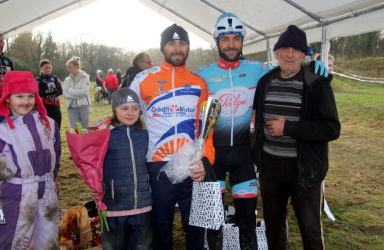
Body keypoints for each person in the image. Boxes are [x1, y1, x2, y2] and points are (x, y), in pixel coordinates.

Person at [252, 25, 341, 250]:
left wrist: (289, 128)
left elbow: (330, 129)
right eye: (284, 49)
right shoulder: (265, 82)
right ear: (276, 53)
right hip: (270, 167)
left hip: (304, 170)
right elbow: (257, 120)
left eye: (295, 50)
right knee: (273, 228)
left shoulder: (317, 84)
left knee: (310, 231)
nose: (289, 54)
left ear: (304, 55)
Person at [130, 24, 215, 250]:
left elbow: (207, 127)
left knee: (195, 225)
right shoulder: (143, 79)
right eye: (171, 43)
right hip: (158, 162)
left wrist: (206, 160)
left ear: (188, 47)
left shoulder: (199, 82)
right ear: (163, 48)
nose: (177, 49)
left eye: (182, 43)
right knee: (161, 224)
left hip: (192, 163)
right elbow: (127, 116)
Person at [195, 12, 271, 249]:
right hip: (211, 155)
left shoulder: (259, 69)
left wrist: (313, 66)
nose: (231, 44)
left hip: (243, 155)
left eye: (236, 39)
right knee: (212, 222)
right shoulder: (202, 74)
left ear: (242, 42)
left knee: (247, 218)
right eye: (225, 39)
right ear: (217, 42)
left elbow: (289, 71)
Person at [0, 71, 61, 249]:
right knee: (11, 237)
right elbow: (0, 171)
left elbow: (56, 154)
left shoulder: (49, 124)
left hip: (47, 191)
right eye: (19, 96)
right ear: (7, 98)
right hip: (18, 192)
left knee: (48, 238)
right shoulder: (1, 132)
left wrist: (53, 179)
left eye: (31, 96)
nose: (26, 101)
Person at [101, 88, 152, 249]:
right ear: (115, 110)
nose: (130, 113)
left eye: (135, 108)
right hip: (114, 206)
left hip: (143, 206)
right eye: (124, 108)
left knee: (141, 245)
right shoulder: (105, 135)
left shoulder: (145, 134)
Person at [63, 57, 91, 129]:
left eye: (70, 67)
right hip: (71, 108)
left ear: (77, 67)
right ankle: (77, 141)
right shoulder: (67, 79)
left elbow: (84, 92)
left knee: (85, 129)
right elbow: (65, 94)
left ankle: (85, 140)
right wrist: (77, 94)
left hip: (84, 107)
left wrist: (70, 90)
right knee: (75, 129)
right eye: (68, 68)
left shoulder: (85, 77)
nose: (69, 69)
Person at [35, 59, 63, 128]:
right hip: (44, 106)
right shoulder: (38, 80)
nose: (48, 69)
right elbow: (40, 93)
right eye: (46, 67)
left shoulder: (55, 78)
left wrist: (46, 93)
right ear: (41, 68)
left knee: (57, 126)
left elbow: (60, 91)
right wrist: (53, 92)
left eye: (49, 67)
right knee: (45, 127)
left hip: (56, 106)